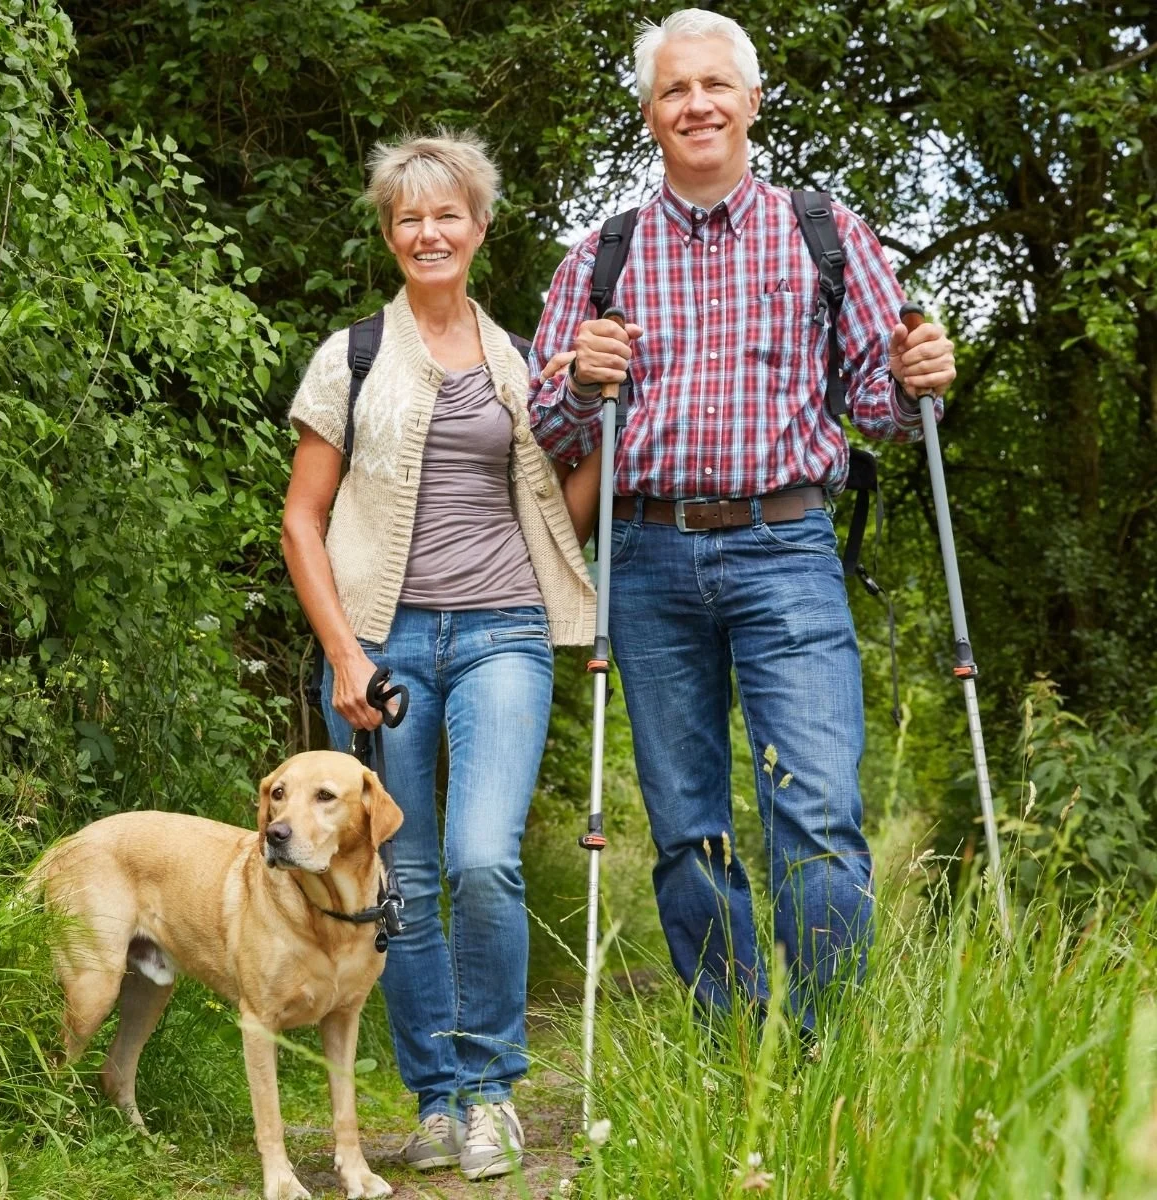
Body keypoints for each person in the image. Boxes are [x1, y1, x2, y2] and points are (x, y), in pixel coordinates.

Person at [528, 10, 958, 1026]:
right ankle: (730, 1035)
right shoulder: (600, 255)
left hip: (786, 547)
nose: (696, 105)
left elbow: (883, 410)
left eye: (714, 85)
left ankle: (820, 1048)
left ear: (751, 101)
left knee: (812, 813)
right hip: (642, 551)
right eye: (674, 91)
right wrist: (581, 385)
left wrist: (915, 380)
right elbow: (543, 429)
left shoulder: (825, 233)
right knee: (683, 825)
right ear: (648, 116)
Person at [282, 131, 596, 1180]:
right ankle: (434, 1099)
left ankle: (493, 1093)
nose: (428, 231)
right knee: (397, 875)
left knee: (480, 857)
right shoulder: (351, 356)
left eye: (445, 213)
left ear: (478, 226)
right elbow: (300, 519)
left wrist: (608, 428)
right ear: (387, 233)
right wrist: (340, 655)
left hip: (504, 628)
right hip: (380, 641)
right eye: (407, 217)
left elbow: (559, 513)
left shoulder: (521, 362)